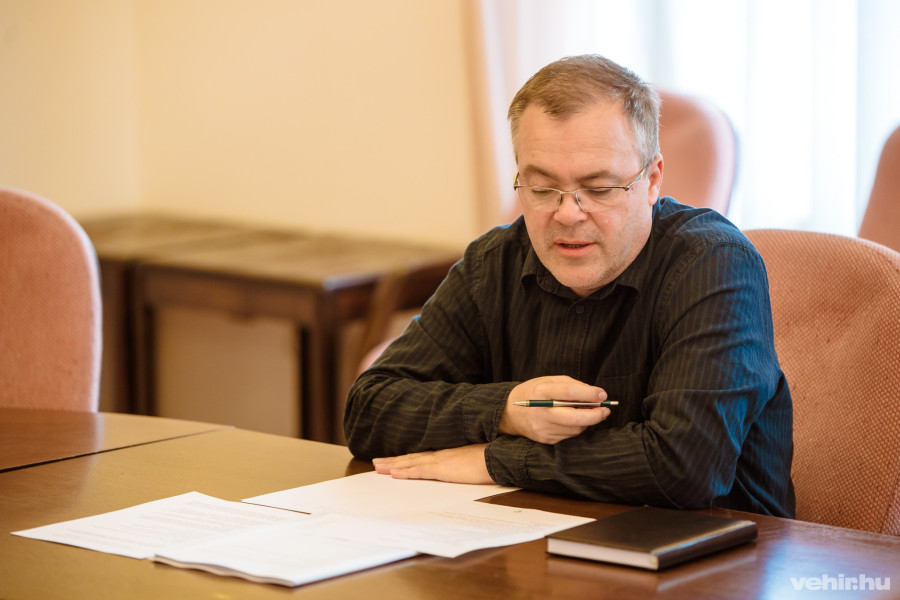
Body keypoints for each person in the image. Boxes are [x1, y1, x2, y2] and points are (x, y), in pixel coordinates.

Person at [343, 54, 795, 517]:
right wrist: (506, 410)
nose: (567, 213)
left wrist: (495, 459)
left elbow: (685, 465)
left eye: (598, 189)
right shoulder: (494, 263)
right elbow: (367, 410)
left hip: (718, 549)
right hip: (529, 538)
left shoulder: (714, 263)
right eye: (542, 189)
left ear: (652, 180)